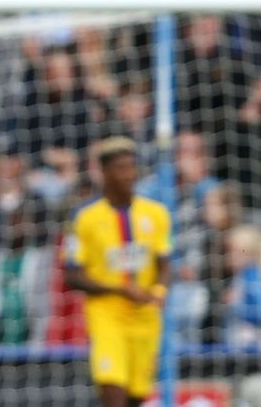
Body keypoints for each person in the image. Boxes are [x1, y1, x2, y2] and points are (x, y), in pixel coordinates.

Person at [63, 136, 173, 407]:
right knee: (113, 393)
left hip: (146, 318)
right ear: (104, 172)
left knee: (136, 397)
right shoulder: (84, 218)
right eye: (121, 168)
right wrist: (119, 289)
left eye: (132, 167)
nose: (129, 174)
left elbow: (164, 263)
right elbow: (72, 276)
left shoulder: (156, 214)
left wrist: (159, 291)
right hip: (107, 317)